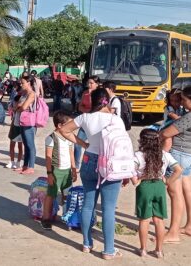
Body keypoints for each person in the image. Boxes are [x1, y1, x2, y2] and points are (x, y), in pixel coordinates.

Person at [60, 88, 129, 259]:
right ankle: (108, 250)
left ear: (93, 100)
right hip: (110, 163)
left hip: (89, 159)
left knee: (88, 204)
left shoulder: (85, 117)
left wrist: (84, 145)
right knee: (108, 208)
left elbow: (63, 130)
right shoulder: (116, 120)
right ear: (107, 101)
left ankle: (86, 243)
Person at [160, 85, 191, 244]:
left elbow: (166, 133)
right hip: (189, 155)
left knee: (175, 194)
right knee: (188, 190)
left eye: (184, 99)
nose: (181, 102)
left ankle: (173, 232)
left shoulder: (190, 117)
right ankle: (190, 226)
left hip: (178, 155)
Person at [132, 129, 183, 259]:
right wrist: (168, 182)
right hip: (159, 186)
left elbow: (131, 173)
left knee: (144, 219)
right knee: (158, 220)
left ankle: (143, 249)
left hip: (144, 187)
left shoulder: (138, 155)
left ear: (142, 141)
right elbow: (178, 169)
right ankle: (159, 250)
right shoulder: (164, 154)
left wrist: (138, 179)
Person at [41, 111, 77, 230]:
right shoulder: (51, 138)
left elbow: (71, 153)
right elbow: (48, 157)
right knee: (51, 195)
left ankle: (67, 218)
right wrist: (50, 173)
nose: (72, 127)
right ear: (60, 126)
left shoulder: (69, 138)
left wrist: (73, 169)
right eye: (69, 124)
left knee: (67, 195)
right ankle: (45, 218)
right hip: (56, 172)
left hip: (67, 172)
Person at [74, 76, 100, 168]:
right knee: (77, 143)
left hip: (96, 124)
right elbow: (80, 106)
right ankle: (76, 165)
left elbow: (99, 108)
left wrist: (91, 96)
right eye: (88, 83)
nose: (89, 85)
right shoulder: (85, 93)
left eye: (91, 83)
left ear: (97, 84)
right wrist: (86, 110)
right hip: (85, 122)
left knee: (96, 145)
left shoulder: (99, 94)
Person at [16, 72, 39, 175]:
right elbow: (16, 105)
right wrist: (18, 106)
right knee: (25, 144)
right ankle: (25, 166)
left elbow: (23, 107)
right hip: (22, 121)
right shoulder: (24, 93)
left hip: (30, 123)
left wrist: (19, 106)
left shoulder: (32, 94)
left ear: (29, 82)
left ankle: (31, 167)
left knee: (30, 145)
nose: (21, 84)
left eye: (23, 83)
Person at [5, 90, 25, 169]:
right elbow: (12, 109)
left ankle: (19, 162)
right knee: (12, 145)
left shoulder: (23, 104)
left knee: (20, 146)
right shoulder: (16, 102)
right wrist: (13, 107)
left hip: (21, 126)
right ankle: (12, 161)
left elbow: (16, 108)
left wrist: (16, 107)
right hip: (14, 126)